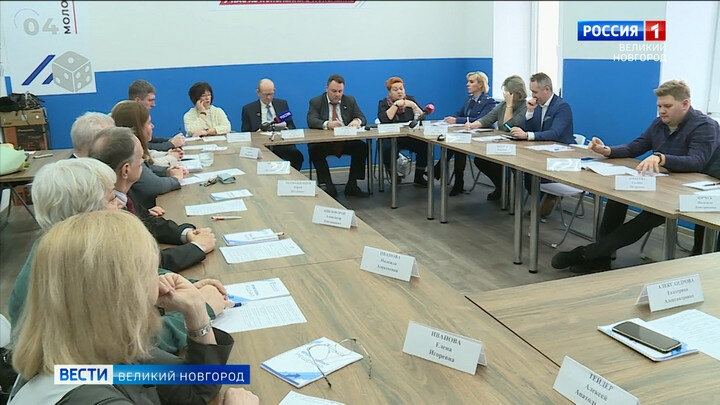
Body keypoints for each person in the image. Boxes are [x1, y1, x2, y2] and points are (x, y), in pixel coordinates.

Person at [8, 210, 249, 404]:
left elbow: (194, 390)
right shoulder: (91, 395)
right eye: (150, 271)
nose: (160, 281)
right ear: (123, 295)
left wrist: (196, 311)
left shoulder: (95, 349)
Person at [6, 158, 230, 355]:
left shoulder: (68, 251)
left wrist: (185, 287)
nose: (121, 203)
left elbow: (139, 273)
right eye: (112, 198)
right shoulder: (73, 274)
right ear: (88, 215)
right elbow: (130, 351)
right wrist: (200, 311)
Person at [552, 80, 719, 272]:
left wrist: (661, 158)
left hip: (694, 190)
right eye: (659, 106)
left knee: (650, 216)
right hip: (666, 182)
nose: (662, 111)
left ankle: (588, 253)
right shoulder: (659, 124)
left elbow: (697, 161)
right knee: (617, 196)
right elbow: (634, 147)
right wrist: (607, 150)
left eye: (667, 106)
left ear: (685, 104)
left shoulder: (705, 126)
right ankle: (601, 258)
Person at [89, 127, 217, 272]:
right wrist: (198, 247)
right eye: (140, 158)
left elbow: (148, 222)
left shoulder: (122, 192)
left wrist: (186, 234)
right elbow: (142, 264)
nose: (144, 160)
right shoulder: (105, 209)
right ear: (126, 170)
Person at [112, 101, 185, 209]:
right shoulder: (128, 152)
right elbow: (154, 185)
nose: (152, 126)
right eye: (149, 123)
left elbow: (148, 167)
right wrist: (175, 179)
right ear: (137, 128)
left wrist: (167, 171)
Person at [465, 75, 528, 200]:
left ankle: (511, 190)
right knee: (481, 160)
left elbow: (507, 126)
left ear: (516, 93)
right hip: (504, 143)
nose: (505, 95)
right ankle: (501, 186)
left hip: (519, 146)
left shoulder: (525, 107)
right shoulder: (503, 104)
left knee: (505, 164)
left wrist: (509, 106)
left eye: (508, 92)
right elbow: (488, 118)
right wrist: (472, 125)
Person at [307, 74, 369, 198]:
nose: (337, 94)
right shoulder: (316, 101)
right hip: (326, 143)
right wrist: (327, 124)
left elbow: (362, 117)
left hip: (346, 142)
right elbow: (311, 120)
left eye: (340, 91)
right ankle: (328, 185)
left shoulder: (350, 100)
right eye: (334, 91)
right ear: (326, 88)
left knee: (361, 147)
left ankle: (352, 185)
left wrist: (357, 121)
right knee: (314, 149)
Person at [441, 71, 497, 195]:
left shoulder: (489, 101)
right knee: (454, 144)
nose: (467, 84)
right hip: (468, 133)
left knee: (458, 145)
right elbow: (459, 113)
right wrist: (451, 118)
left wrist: (457, 120)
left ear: (480, 85)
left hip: (484, 135)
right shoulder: (469, 100)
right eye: (468, 82)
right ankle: (456, 180)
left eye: (471, 82)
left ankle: (442, 172)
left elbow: (481, 120)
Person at [241, 78, 304, 170]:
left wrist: (286, 129)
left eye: (271, 94)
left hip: (281, 144)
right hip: (260, 146)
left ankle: (290, 177)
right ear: (258, 92)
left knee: (297, 156)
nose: (269, 97)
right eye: (266, 94)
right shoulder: (248, 109)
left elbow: (291, 125)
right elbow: (245, 132)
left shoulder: (282, 104)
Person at [377, 76, 428, 187]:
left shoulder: (410, 100)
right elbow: (385, 119)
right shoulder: (384, 103)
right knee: (386, 148)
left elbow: (422, 117)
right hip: (391, 138)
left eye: (401, 89)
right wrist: (396, 105)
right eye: (395, 90)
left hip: (410, 137)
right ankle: (393, 175)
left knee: (425, 145)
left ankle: (419, 176)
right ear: (389, 92)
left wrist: (413, 105)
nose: (399, 92)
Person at [128, 79, 185, 150]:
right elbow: (144, 147)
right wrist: (171, 144)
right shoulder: (127, 118)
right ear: (137, 100)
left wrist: (171, 140)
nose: (153, 105)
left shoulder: (137, 115)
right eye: (150, 100)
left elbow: (151, 139)